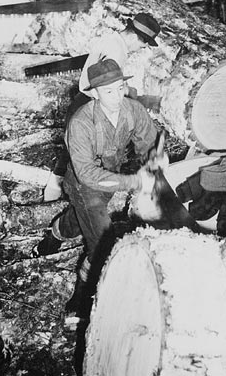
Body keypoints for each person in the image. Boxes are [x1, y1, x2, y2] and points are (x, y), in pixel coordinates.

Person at [37, 59, 159, 323]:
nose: (117, 97)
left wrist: (155, 162)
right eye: (108, 92)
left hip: (109, 179)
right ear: (94, 93)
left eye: (120, 87)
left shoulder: (132, 110)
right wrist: (133, 182)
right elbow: (88, 175)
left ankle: (54, 234)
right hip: (84, 185)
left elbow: (150, 142)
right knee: (102, 245)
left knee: (81, 221)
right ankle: (80, 301)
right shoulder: (81, 123)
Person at [43, 12, 161, 201]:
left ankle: (56, 193)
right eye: (143, 43)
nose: (143, 47)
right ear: (132, 36)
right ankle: (63, 197)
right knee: (83, 156)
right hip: (90, 104)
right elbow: (107, 87)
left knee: (70, 154)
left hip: (85, 99)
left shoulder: (112, 39)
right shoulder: (116, 53)